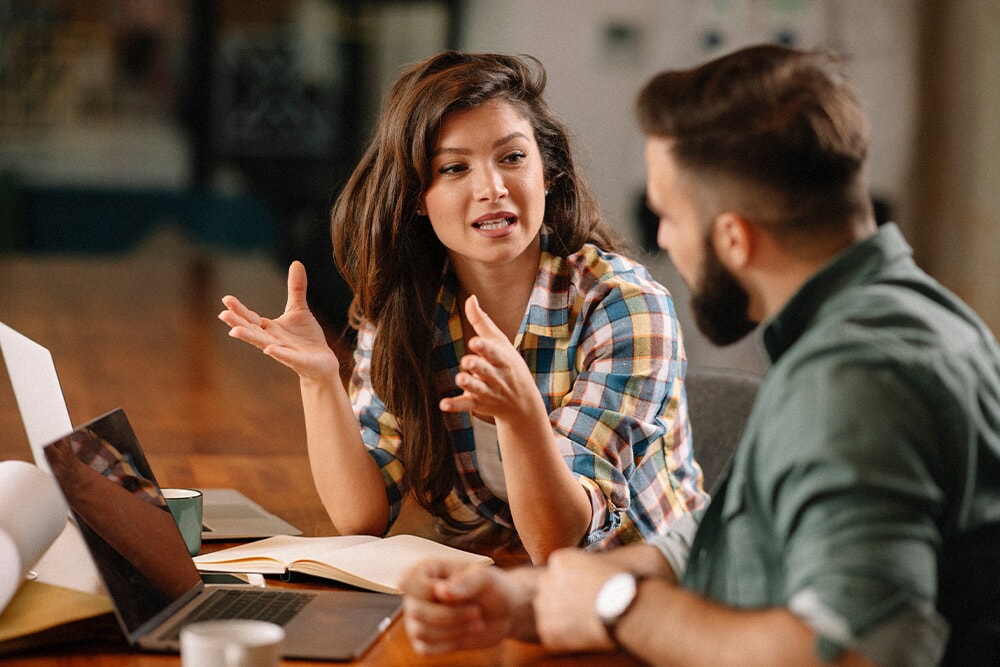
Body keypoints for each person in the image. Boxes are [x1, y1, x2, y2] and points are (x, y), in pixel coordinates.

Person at [399, 44, 1000, 666]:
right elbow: (732, 538)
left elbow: (853, 654)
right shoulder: (905, 321)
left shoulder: (852, 384)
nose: (660, 240)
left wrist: (621, 609)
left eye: (669, 217)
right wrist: (527, 597)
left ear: (734, 238)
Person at [219, 51, 706, 564]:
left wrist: (521, 417)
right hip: (509, 581)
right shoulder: (410, 309)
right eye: (454, 167)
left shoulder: (624, 306)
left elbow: (560, 541)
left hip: (651, 593)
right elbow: (360, 516)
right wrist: (320, 380)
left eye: (513, 158)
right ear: (416, 198)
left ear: (549, 172)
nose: (491, 188)